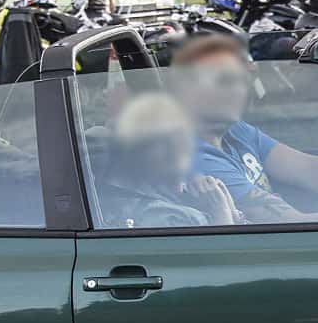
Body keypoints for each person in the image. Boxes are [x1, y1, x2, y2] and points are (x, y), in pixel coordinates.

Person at [165, 35, 318, 223]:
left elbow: (310, 169)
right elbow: (291, 222)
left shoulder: (233, 130)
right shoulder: (199, 161)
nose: (237, 91)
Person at [99, 93, 240, 229]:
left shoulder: (184, 197)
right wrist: (221, 212)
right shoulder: (162, 217)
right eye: (162, 140)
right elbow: (225, 252)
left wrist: (229, 209)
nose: (176, 145)